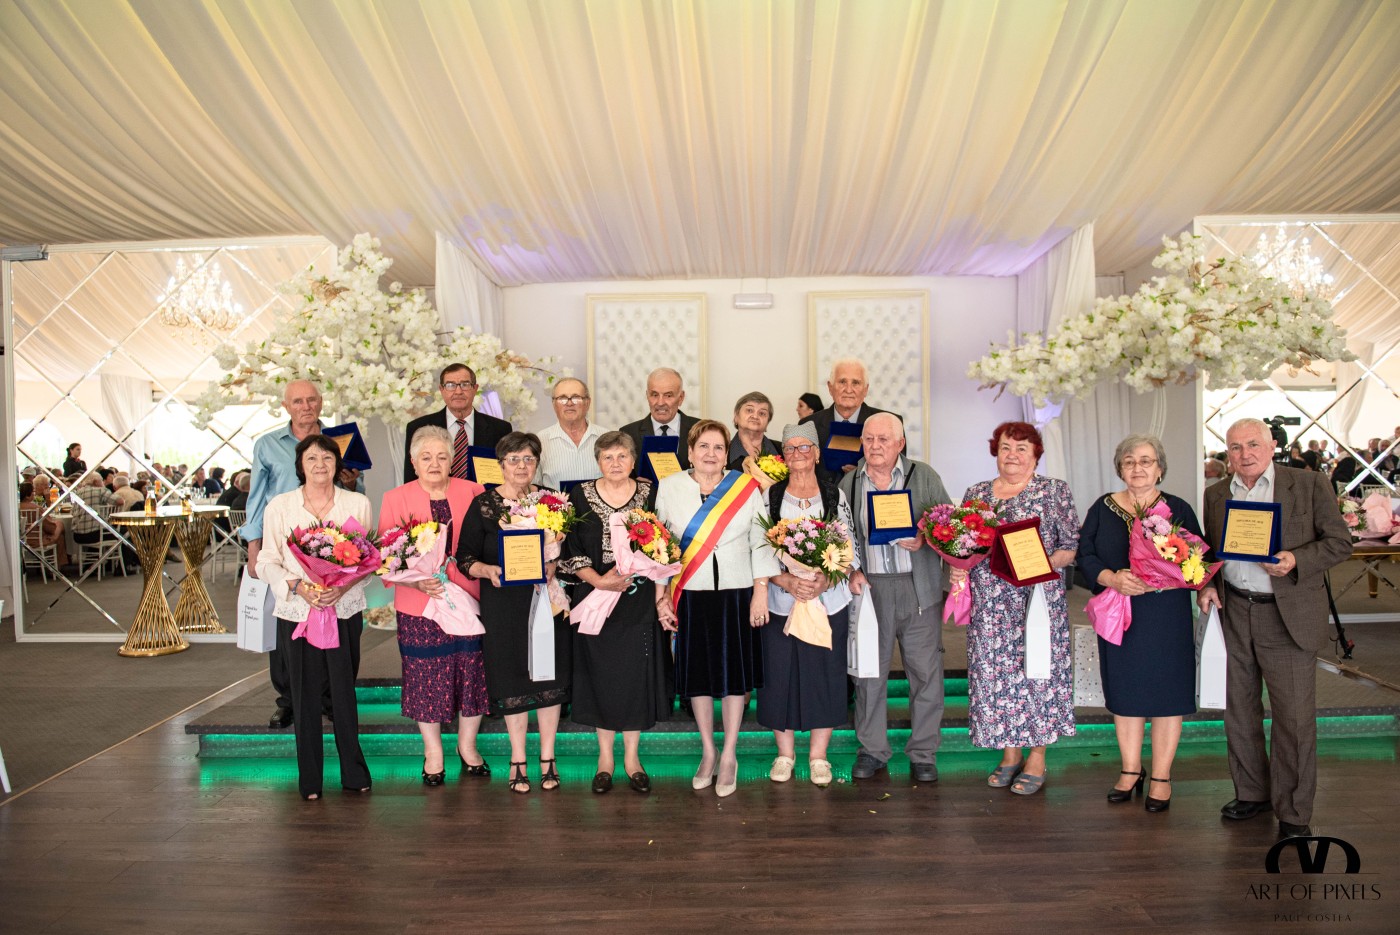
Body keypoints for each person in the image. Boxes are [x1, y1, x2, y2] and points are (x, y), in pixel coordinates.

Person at [1198, 418, 1352, 838]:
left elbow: (1339, 542)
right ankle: (1252, 792)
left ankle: (1294, 812)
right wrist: (1207, 584)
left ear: (1271, 447)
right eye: (1235, 447)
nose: (1244, 454)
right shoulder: (1216, 494)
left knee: (1294, 719)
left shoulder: (1309, 484)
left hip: (1286, 615)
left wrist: (1295, 559)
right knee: (1239, 709)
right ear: (1227, 453)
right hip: (1234, 610)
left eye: (1253, 444)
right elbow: (1210, 551)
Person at [1076, 434, 1202, 813]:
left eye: (1146, 461)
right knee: (1126, 694)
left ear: (1159, 468)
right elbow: (1085, 554)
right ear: (1120, 468)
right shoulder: (1103, 507)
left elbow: (1197, 559)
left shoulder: (1177, 508)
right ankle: (1131, 770)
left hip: (1167, 615)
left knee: (1168, 695)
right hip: (1120, 612)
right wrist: (1111, 578)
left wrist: (1167, 576)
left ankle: (1161, 776)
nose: (1137, 468)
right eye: (1129, 461)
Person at [951, 421, 1078, 796]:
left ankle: (1037, 756)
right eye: (1006, 447)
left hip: (1035, 599)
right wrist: (958, 567)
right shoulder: (977, 494)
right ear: (996, 451)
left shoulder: (1053, 491)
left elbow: (1071, 546)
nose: (1013, 455)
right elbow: (963, 544)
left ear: (1036, 454)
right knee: (997, 676)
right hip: (990, 604)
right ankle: (1009, 753)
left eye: (1022, 448)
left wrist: (1041, 564)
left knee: (1037, 675)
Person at [654, 419, 779, 797]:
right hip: (690, 593)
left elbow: (761, 539)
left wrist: (760, 592)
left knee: (734, 676)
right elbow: (659, 545)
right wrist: (661, 596)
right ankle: (708, 751)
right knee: (699, 677)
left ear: (727, 454)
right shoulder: (669, 486)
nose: (711, 454)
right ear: (690, 452)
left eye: (718, 447)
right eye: (703, 447)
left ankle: (729, 754)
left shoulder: (744, 487)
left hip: (737, 592)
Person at [255, 434, 373, 801]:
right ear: (300, 466)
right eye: (311, 459)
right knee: (304, 696)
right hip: (298, 613)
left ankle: (354, 773)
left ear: (338, 465)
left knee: (343, 694)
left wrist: (342, 586)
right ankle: (310, 780)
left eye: (327, 458)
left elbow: (368, 561)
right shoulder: (280, 506)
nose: (320, 465)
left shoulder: (357, 503)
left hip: (343, 610)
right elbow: (265, 561)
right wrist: (297, 586)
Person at [839, 412, 953, 784]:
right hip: (870, 590)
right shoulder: (849, 483)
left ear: (900, 443)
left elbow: (950, 527)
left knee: (925, 674)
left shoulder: (924, 476)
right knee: (869, 674)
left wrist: (925, 537)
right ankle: (872, 750)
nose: (875, 446)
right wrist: (851, 571)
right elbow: (840, 537)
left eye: (884, 439)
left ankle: (923, 753)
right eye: (869, 439)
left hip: (918, 588)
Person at [456, 432, 572, 794]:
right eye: (513, 459)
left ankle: (548, 758)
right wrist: (488, 570)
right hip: (503, 605)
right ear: (501, 464)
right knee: (512, 678)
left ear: (537, 462)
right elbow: (464, 558)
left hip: (546, 600)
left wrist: (554, 564)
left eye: (528, 459)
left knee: (550, 679)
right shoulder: (483, 505)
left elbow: (566, 548)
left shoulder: (551, 501)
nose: (521, 466)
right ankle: (518, 758)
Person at [559, 431, 674, 794]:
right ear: (598, 461)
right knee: (601, 678)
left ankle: (632, 759)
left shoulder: (651, 494)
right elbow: (570, 549)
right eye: (607, 457)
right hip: (595, 598)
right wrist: (599, 581)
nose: (615, 463)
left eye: (622, 456)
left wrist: (660, 596)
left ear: (633, 460)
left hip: (638, 600)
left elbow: (665, 545)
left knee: (634, 678)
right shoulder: (579, 495)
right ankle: (605, 759)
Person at [243, 380, 361, 730]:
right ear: (286, 406)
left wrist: (350, 482)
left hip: (333, 549)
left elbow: (358, 492)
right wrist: (253, 545)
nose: (305, 406)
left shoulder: (341, 440)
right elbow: (256, 498)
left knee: (335, 623)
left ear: (321, 403)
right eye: (298, 401)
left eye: (311, 400)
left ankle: (331, 699)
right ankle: (288, 700)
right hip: (283, 550)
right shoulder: (267, 444)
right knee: (287, 627)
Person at [379, 426, 490, 786]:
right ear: (413, 462)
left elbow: (486, 543)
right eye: (426, 457)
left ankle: (467, 745)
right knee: (424, 675)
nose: (434, 463)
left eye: (442, 456)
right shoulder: (395, 498)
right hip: (419, 602)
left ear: (452, 460)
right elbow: (385, 557)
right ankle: (433, 751)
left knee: (472, 671)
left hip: (467, 597)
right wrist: (414, 580)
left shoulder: (473, 491)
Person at [757, 424, 865, 787]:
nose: (798, 454)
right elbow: (758, 546)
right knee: (778, 676)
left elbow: (849, 546)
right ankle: (785, 754)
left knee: (826, 675)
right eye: (790, 448)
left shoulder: (834, 494)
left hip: (828, 602)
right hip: (781, 603)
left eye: (805, 447)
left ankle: (819, 756)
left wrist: (826, 579)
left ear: (817, 454)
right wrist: (786, 580)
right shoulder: (770, 496)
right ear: (783, 457)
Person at [403, 363, 512, 483]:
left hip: (484, 495)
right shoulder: (418, 427)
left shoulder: (500, 429)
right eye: (450, 385)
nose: (458, 391)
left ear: (475, 389)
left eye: (465, 384)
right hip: (434, 494)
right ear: (441, 390)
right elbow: (411, 480)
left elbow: (508, 478)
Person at [801, 358, 900, 480]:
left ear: (866, 389)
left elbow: (897, 474)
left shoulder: (891, 424)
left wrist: (864, 473)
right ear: (830, 387)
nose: (848, 390)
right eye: (842, 382)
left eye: (856, 383)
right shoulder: (808, 425)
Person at [620, 367, 700, 473]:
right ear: (647, 396)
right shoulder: (628, 433)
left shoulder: (700, 429)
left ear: (681, 398)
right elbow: (623, 476)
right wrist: (637, 481)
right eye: (654, 395)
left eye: (668, 395)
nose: (660, 402)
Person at [537, 377, 606, 490]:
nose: (569, 403)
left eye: (576, 397)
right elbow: (533, 489)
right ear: (554, 404)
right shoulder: (540, 441)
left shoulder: (607, 437)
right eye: (562, 398)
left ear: (587, 403)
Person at [727, 391, 782, 470]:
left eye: (762, 413)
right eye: (749, 410)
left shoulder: (784, 451)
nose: (755, 416)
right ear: (736, 417)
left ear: (767, 422)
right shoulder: (723, 451)